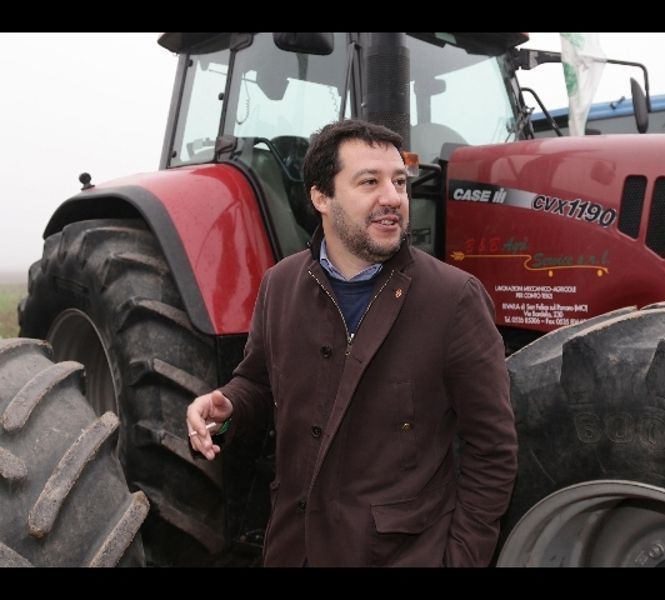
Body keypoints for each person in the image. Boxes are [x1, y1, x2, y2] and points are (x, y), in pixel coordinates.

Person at [186, 119, 518, 567]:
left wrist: (459, 560)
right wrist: (225, 412)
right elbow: (259, 387)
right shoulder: (280, 285)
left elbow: (493, 450)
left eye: (399, 182)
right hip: (293, 551)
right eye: (370, 182)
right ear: (321, 197)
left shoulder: (454, 299)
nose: (393, 198)